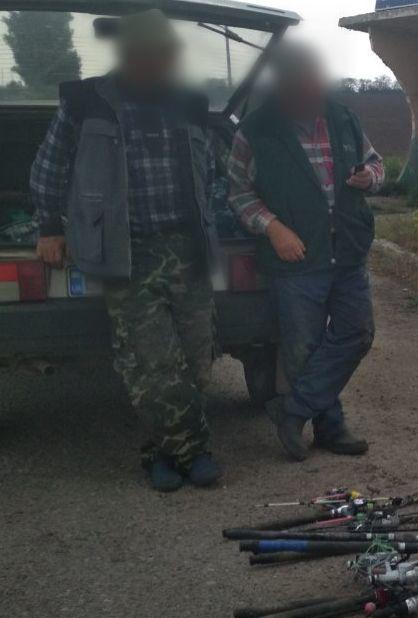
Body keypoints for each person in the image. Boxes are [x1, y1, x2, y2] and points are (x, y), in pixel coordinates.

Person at [29, 10, 221, 492]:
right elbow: (49, 169)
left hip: (187, 245)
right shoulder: (87, 101)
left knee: (197, 358)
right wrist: (49, 226)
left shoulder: (191, 103)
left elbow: (212, 172)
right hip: (126, 249)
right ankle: (192, 452)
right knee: (152, 362)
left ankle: (163, 451)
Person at [227, 43, 384, 462]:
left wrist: (370, 177)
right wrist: (273, 227)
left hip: (347, 250)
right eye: (302, 82)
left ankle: (292, 410)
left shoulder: (343, 118)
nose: (312, 91)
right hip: (295, 259)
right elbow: (238, 194)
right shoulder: (255, 130)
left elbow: (377, 164)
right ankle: (330, 427)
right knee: (303, 347)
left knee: (357, 333)